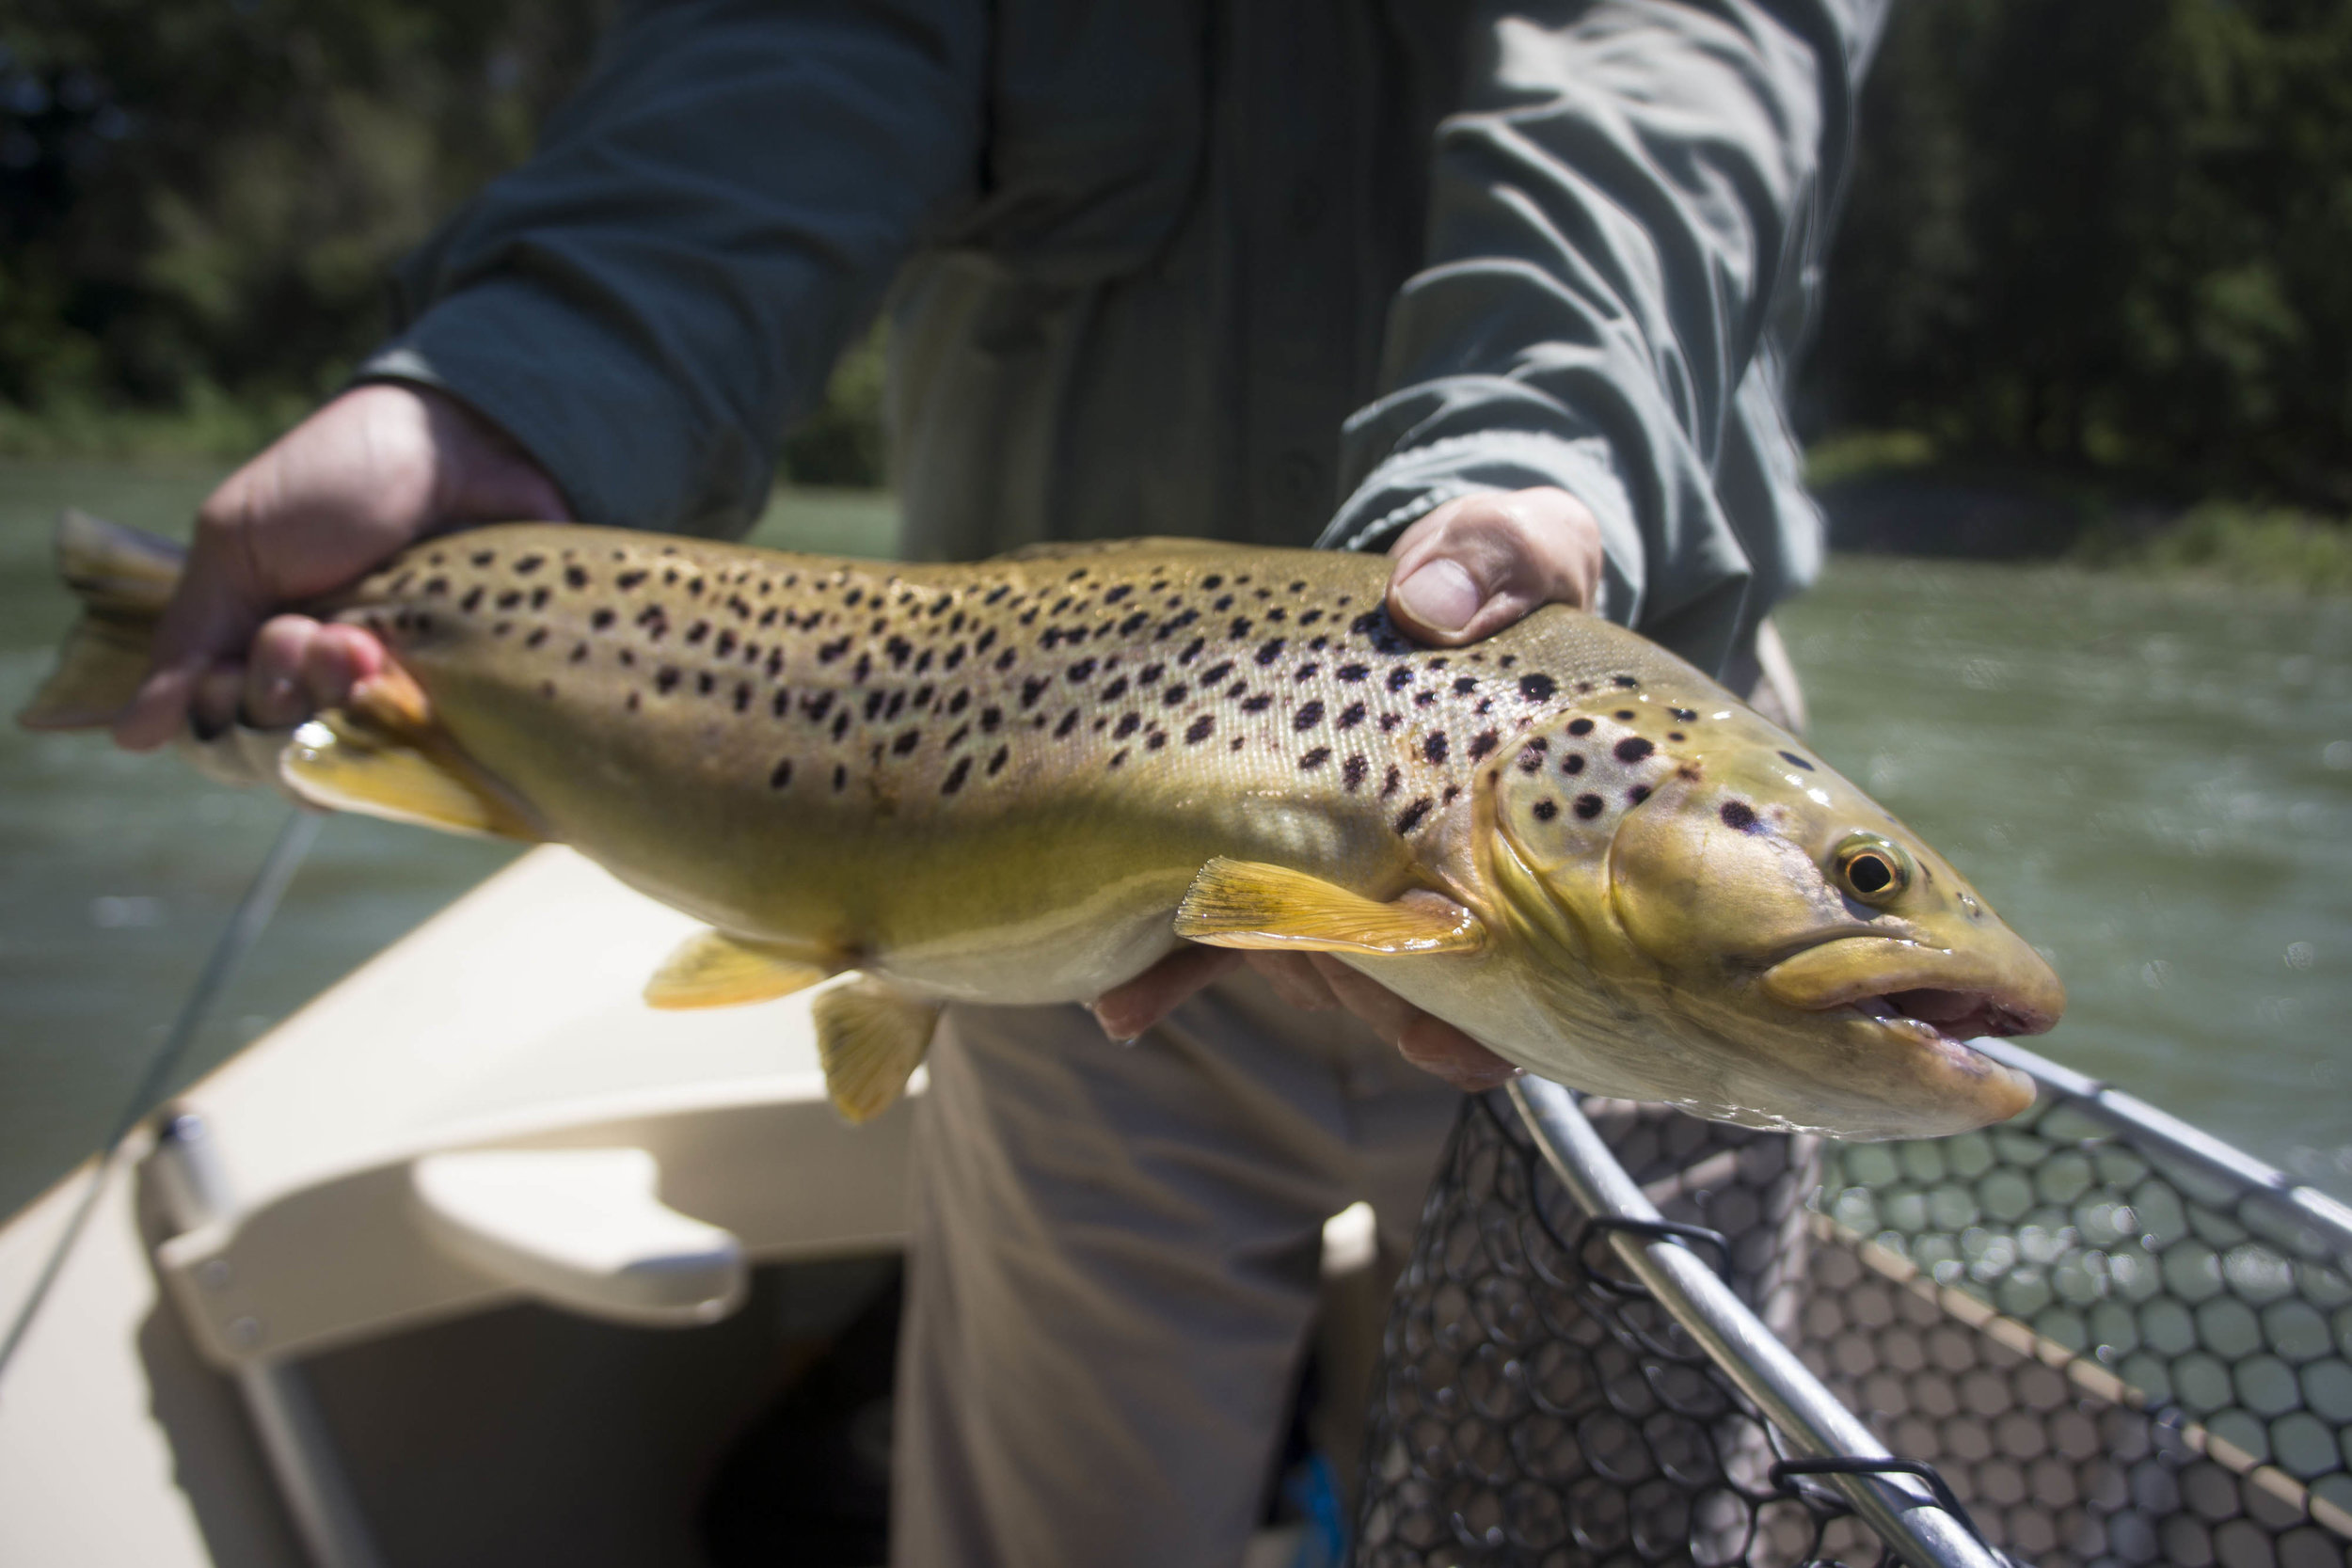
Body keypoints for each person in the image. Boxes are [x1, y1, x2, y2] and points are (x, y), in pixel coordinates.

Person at [112, 2, 1883, 1562]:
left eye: (1868, 889)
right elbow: (786, 66)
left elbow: (1674, 88)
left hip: (1632, 817)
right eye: (1869, 887)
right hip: (1011, 814)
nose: (1889, 915)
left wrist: (1525, 457)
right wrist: (511, 402)